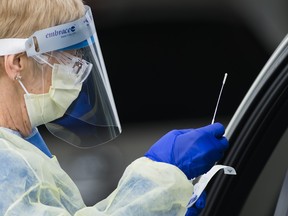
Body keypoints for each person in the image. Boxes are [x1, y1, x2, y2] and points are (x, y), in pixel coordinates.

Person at [0, 0, 229, 215]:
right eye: (65, 58)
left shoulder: (20, 150)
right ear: (17, 62)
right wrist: (160, 179)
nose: (79, 69)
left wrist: (163, 205)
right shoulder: (5, 165)